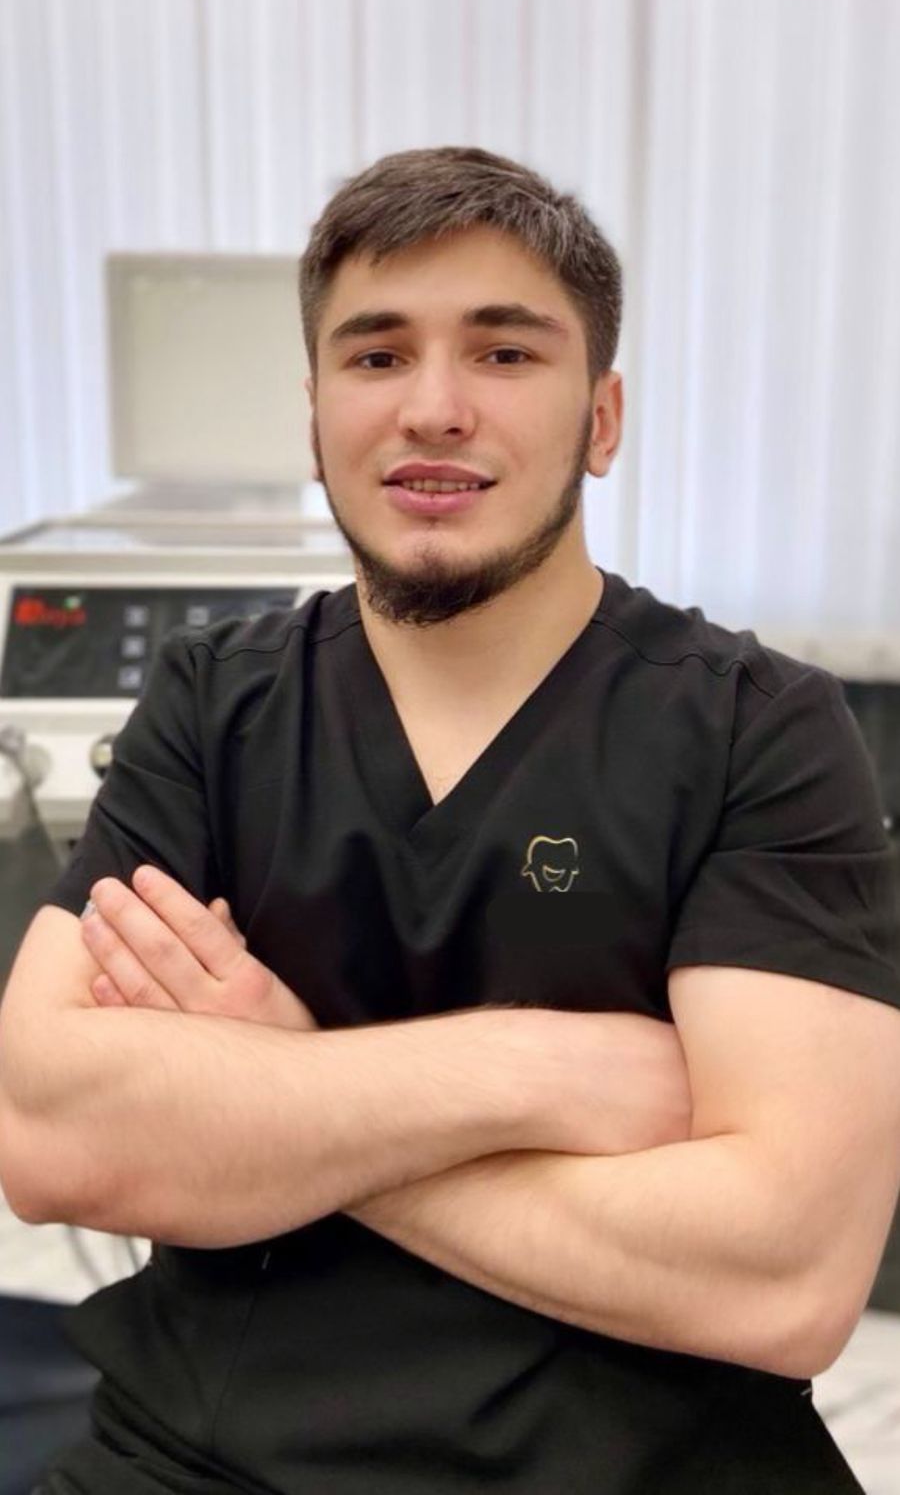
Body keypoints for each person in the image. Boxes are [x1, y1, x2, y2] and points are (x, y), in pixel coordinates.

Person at [1, 145, 899, 1495]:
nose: (432, 409)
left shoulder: (756, 731)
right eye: (376, 356)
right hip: (201, 1462)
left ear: (602, 418)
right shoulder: (216, 704)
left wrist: (284, 1083)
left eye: (504, 353)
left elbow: (783, 1276)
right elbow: (49, 1139)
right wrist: (533, 1073)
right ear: (315, 416)